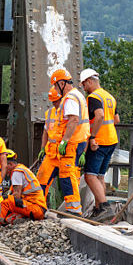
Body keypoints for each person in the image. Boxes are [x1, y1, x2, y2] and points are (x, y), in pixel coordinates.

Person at [46, 69, 90, 215]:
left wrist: (64, 141)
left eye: (56, 85)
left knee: (67, 175)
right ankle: (74, 208)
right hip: (79, 141)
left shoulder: (70, 98)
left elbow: (73, 120)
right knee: (72, 175)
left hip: (72, 142)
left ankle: (74, 209)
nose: (56, 89)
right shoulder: (79, 95)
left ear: (61, 83)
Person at [80, 68, 119, 219]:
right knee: (100, 176)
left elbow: (100, 116)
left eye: (84, 85)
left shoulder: (94, 97)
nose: (84, 88)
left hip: (100, 140)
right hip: (112, 140)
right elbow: (116, 120)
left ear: (90, 81)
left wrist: (92, 136)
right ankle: (98, 209)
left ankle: (104, 206)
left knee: (90, 175)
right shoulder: (110, 97)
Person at [0, 150, 47, 224]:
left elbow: (16, 196)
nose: (2, 169)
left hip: (35, 209)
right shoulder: (21, 169)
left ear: (10, 164)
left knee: (5, 201)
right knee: (9, 217)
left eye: (2, 167)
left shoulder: (16, 172)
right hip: (35, 208)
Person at [36, 86, 62, 200]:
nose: (54, 104)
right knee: (41, 180)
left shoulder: (69, 112)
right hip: (51, 154)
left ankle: (71, 209)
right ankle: (40, 205)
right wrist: (43, 148)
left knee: (69, 184)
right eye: (53, 102)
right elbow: (45, 132)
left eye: (56, 101)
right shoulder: (49, 113)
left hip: (64, 154)